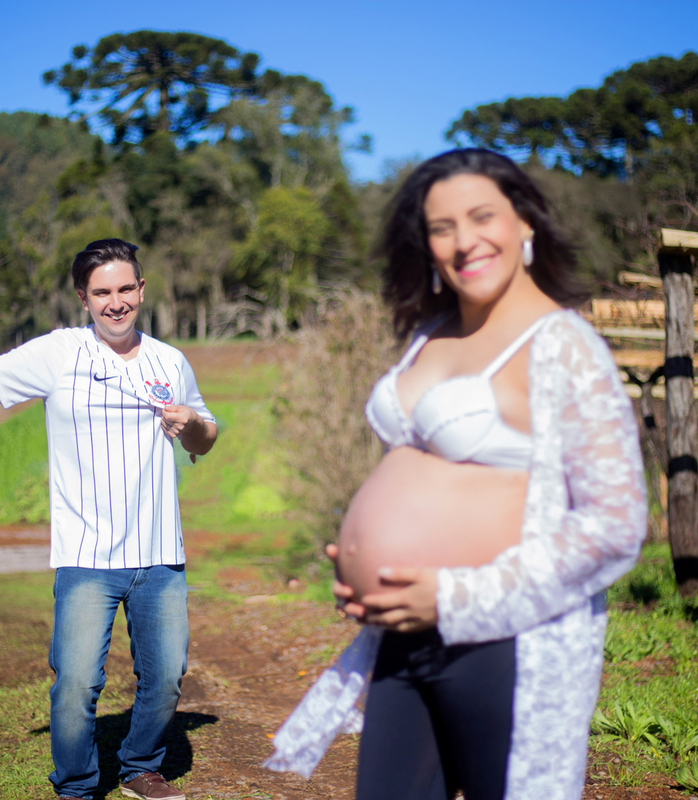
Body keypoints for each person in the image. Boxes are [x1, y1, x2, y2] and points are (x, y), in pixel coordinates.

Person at [265, 149, 647, 800]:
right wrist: (364, 560)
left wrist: (453, 595)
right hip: (402, 640)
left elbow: (615, 524)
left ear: (524, 221)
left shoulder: (563, 344)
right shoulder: (428, 335)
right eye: (441, 227)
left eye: (481, 217)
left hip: (502, 643)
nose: (463, 241)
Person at [0, 238, 217, 800]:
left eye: (125, 289)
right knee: (75, 685)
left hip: (160, 553)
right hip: (86, 558)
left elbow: (205, 437)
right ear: (82, 298)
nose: (115, 302)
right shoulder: (58, 353)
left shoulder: (170, 360)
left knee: (165, 681)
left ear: (141, 290)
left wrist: (190, 421)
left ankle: (140, 765)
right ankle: (75, 787)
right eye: (102, 293)